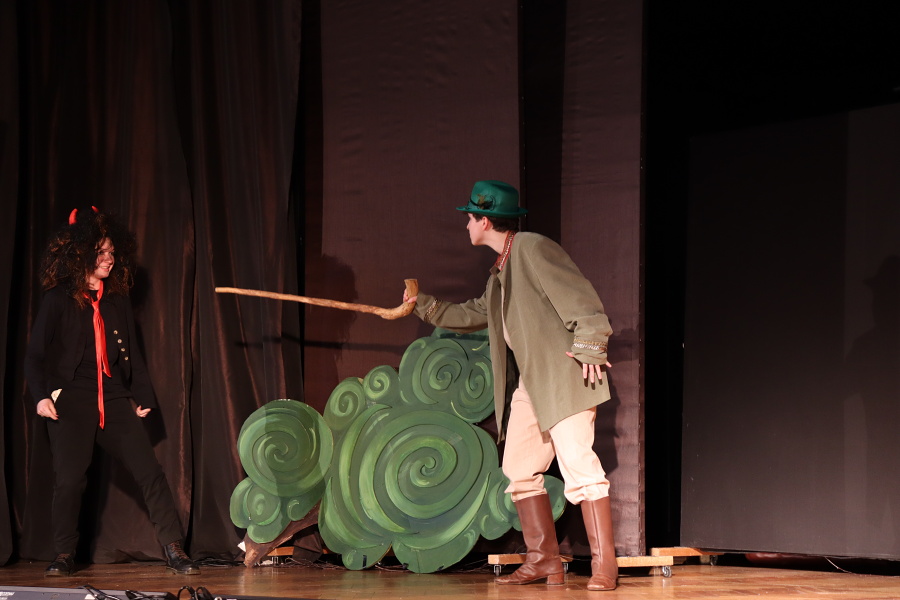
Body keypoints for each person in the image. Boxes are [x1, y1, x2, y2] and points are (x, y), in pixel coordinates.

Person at [404, 180, 617, 591]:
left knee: (579, 466)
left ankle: (604, 566)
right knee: (518, 468)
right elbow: (474, 314)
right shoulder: (501, 270)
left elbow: (581, 299)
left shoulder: (533, 248)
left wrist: (591, 345)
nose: (466, 225)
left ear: (485, 221)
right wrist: (422, 305)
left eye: (470, 218)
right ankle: (544, 560)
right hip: (531, 383)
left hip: (562, 375)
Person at [25, 207, 198, 577]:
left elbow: (132, 352)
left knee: (149, 471)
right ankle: (64, 554)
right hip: (72, 398)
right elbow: (35, 355)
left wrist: (141, 398)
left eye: (112, 252)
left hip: (113, 396)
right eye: (101, 252)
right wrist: (41, 396)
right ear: (81, 254)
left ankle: (173, 547)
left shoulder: (116, 299)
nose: (109, 258)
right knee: (69, 481)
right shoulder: (58, 298)